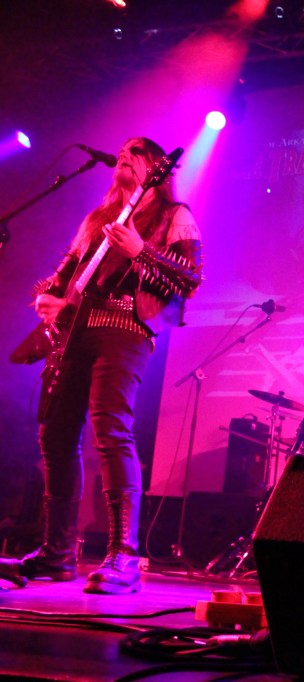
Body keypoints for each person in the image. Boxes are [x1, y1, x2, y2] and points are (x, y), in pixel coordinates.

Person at [1, 137, 202, 594]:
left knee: (111, 430)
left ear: (157, 168)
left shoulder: (174, 215)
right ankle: (56, 554)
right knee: (55, 434)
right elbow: (65, 275)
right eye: (123, 148)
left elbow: (190, 280)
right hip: (74, 330)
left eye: (137, 149)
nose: (125, 152)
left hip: (124, 328)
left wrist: (140, 251)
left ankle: (123, 556)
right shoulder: (97, 218)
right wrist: (48, 298)